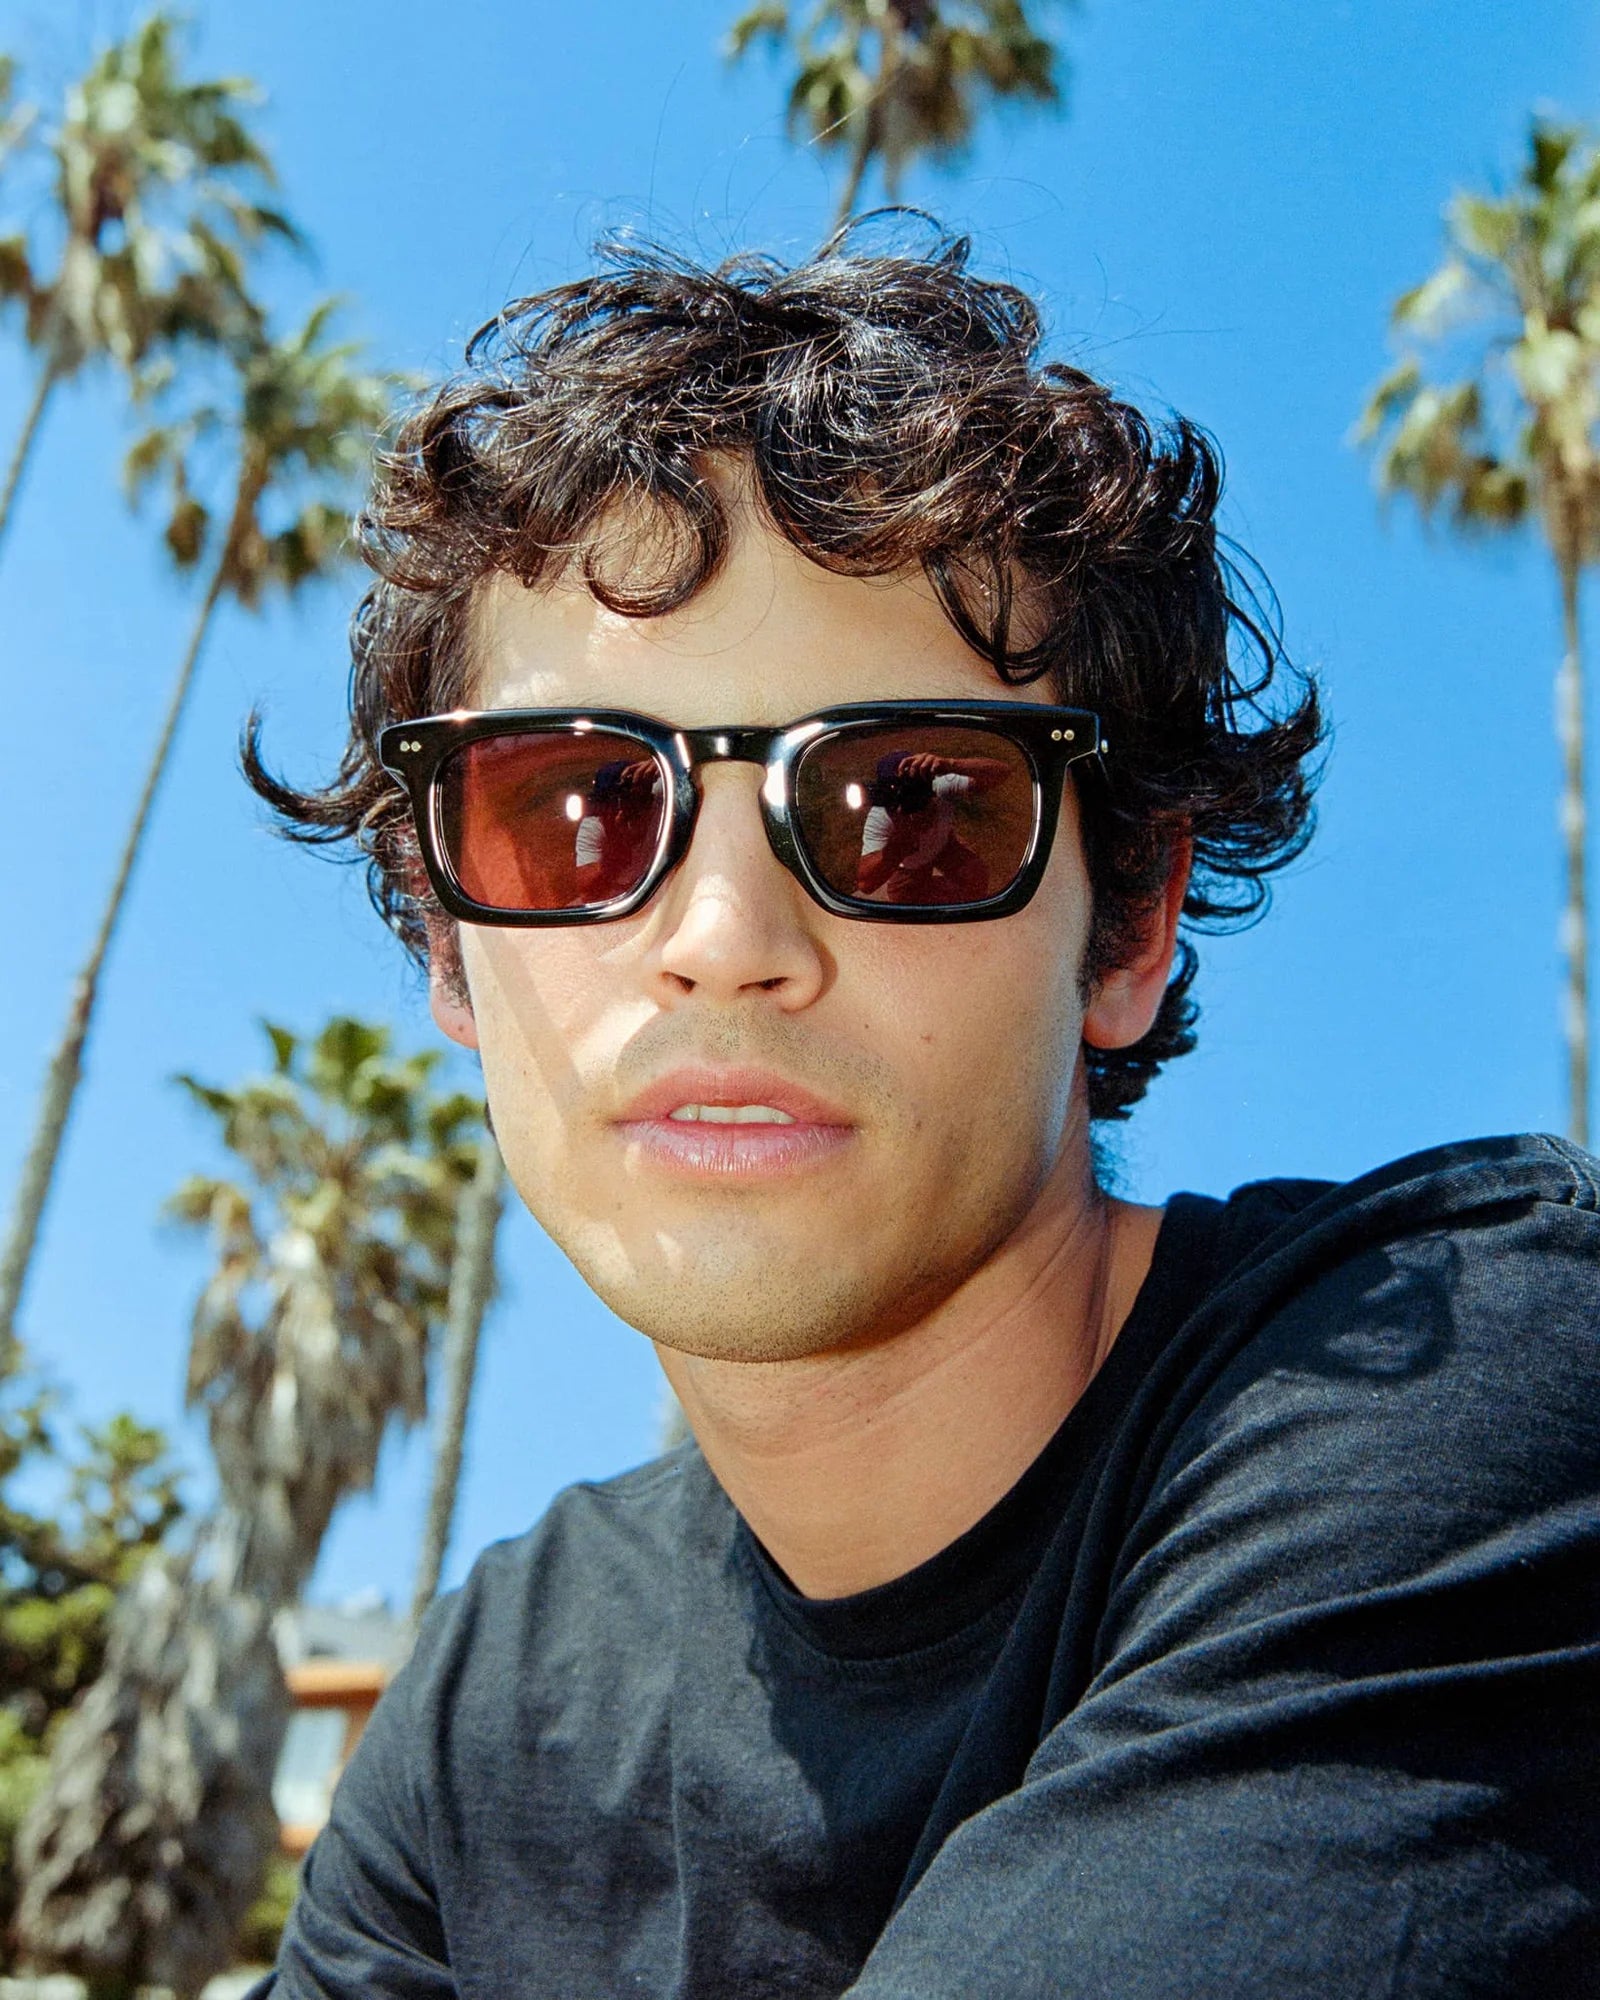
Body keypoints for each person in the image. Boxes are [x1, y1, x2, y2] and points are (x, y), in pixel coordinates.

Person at [244, 232, 1600, 1998]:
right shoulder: (494, 1702)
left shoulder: (1476, 1394)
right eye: (574, 807)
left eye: (913, 809)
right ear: (448, 952)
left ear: (1124, 931)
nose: (725, 945)